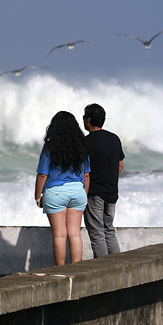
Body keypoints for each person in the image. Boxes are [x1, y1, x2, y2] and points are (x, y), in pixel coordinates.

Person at [34, 111, 90, 266]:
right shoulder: (82, 147)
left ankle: (61, 270)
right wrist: (84, 193)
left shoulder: (50, 147)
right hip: (78, 191)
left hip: (56, 192)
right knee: (75, 233)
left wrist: (37, 196)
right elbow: (86, 175)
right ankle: (76, 270)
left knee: (59, 235)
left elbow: (43, 175)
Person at [83, 103, 125, 258]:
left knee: (97, 233)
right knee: (109, 230)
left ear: (88, 120)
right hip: (112, 191)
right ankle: (117, 267)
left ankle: (104, 270)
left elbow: (83, 171)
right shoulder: (114, 139)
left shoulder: (86, 142)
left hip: (94, 193)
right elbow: (120, 165)